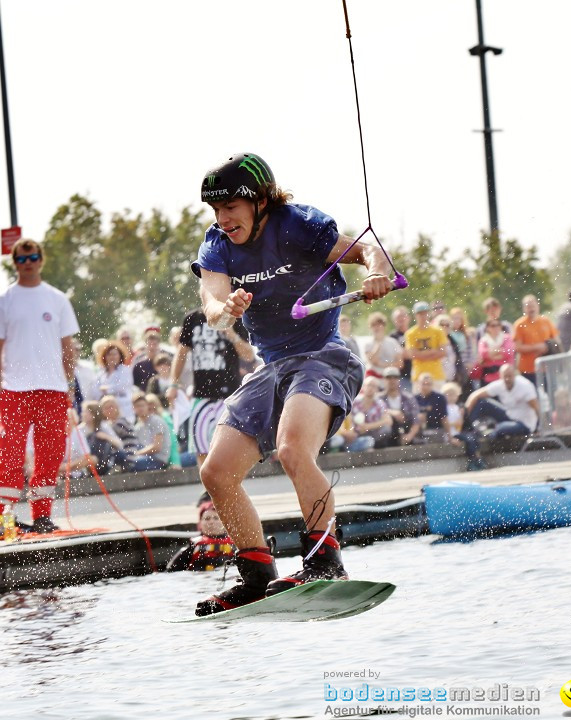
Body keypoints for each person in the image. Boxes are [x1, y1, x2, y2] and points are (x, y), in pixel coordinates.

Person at [191, 152, 392, 615]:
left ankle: (325, 560)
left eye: (231, 209)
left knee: (293, 449)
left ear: (260, 201)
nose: (223, 219)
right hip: (272, 368)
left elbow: (366, 250)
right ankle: (257, 574)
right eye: (216, 211)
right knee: (216, 472)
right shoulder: (216, 246)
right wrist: (226, 312)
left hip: (324, 356)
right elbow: (212, 303)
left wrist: (376, 272)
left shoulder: (296, 225)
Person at [0, 237, 79, 534]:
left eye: (33, 257)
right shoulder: (3, 302)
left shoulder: (57, 299)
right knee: (10, 452)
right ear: (15, 263)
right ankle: (1, 515)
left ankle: (41, 515)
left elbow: (68, 347)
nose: (28, 264)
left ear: (41, 259)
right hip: (15, 390)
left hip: (52, 389)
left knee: (50, 453)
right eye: (22, 259)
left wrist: (70, 384)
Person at [167, 307, 255, 466]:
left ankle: (228, 484)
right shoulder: (192, 319)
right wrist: (173, 383)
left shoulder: (235, 316)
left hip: (229, 396)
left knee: (228, 446)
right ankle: (208, 488)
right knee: (200, 445)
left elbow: (249, 355)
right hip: (201, 394)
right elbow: (181, 352)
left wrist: (231, 335)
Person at [459, 364, 539, 470]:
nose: (507, 379)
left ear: (514, 375)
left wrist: (539, 427)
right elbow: (475, 395)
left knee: (501, 429)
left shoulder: (525, 386)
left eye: (510, 376)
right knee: (482, 402)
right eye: (505, 376)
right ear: (500, 376)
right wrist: (464, 414)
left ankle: (488, 433)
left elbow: (536, 408)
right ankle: (469, 429)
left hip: (524, 423)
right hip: (508, 416)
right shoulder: (500, 385)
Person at [165, 498, 235, 572]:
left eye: (216, 518)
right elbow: (170, 571)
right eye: (207, 519)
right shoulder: (193, 545)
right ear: (200, 523)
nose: (211, 522)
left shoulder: (236, 544)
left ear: (225, 522)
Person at [512, 294, 559, 385]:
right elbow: (517, 347)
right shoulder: (519, 324)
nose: (531, 309)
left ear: (538, 306)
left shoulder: (546, 321)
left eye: (533, 306)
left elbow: (556, 340)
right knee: (531, 397)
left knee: (552, 395)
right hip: (528, 370)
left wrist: (548, 346)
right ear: (524, 309)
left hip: (547, 367)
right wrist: (537, 347)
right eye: (528, 306)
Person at [404, 301, 448, 389]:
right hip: (419, 376)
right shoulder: (411, 333)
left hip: (436, 375)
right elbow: (412, 354)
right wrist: (433, 352)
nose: (423, 317)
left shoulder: (438, 331)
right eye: (420, 314)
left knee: (439, 401)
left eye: (425, 313)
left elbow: (443, 352)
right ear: (415, 315)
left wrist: (421, 355)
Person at [126, 394, 171, 472]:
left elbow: (157, 447)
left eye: (142, 405)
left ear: (147, 406)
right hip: (145, 457)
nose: (140, 408)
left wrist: (137, 453)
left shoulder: (156, 421)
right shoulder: (137, 427)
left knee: (130, 463)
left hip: (158, 459)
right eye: (137, 406)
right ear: (133, 408)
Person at [380, 367, 422, 446]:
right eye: (388, 377)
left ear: (399, 379)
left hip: (407, 431)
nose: (392, 380)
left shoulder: (409, 398)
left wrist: (409, 436)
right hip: (388, 435)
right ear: (384, 380)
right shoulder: (379, 398)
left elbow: (416, 420)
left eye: (395, 377)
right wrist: (392, 412)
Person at [93, 342, 135, 421]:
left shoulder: (125, 370)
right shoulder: (101, 372)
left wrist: (107, 390)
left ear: (120, 356)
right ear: (104, 357)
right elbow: (95, 390)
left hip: (123, 407)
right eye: (109, 354)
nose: (112, 357)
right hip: (105, 409)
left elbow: (123, 386)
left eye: (115, 354)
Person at [363, 311, 404, 378]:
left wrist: (382, 364)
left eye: (379, 325)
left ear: (384, 326)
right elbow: (372, 360)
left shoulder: (393, 342)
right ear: (370, 328)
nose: (376, 328)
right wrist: (378, 344)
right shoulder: (368, 344)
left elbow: (400, 364)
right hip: (374, 379)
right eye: (374, 325)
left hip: (390, 379)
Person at [476, 318, 516, 386]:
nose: (496, 327)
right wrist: (500, 351)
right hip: (489, 376)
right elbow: (483, 354)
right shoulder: (483, 340)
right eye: (493, 325)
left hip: (506, 377)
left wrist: (491, 355)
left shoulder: (507, 338)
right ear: (488, 328)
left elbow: (508, 352)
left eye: (498, 325)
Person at [413, 372, 448, 444]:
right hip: (418, 430)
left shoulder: (439, 398)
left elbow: (444, 418)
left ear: (432, 385)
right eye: (423, 384)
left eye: (428, 384)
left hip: (435, 429)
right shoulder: (413, 399)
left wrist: (449, 436)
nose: (425, 387)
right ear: (418, 384)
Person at [131, 327, 165, 391]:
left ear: (158, 345)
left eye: (154, 344)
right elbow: (134, 385)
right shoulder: (139, 366)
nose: (152, 347)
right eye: (149, 344)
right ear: (145, 345)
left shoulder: (165, 363)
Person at [389, 306, 413, 388]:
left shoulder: (414, 333)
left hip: (416, 373)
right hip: (400, 377)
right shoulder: (392, 337)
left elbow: (410, 354)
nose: (401, 319)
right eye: (398, 317)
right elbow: (394, 355)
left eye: (403, 316)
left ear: (408, 318)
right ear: (394, 320)